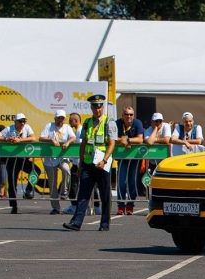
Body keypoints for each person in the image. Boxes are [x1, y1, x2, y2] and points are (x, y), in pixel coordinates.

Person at [63, 95, 117, 232]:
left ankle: (104, 224)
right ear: (91, 108)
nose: (97, 109)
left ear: (102, 107)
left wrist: (104, 160)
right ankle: (76, 222)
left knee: (105, 195)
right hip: (88, 163)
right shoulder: (87, 123)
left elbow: (112, 143)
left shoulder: (109, 122)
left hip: (102, 163)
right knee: (83, 194)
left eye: (100, 106)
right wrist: (80, 163)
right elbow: (83, 144)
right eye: (95, 106)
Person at [0, 113, 39, 214]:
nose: (22, 123)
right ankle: (13, 205)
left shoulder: (27, 127)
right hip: (12, 159)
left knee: (36, 170)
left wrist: (20, 140)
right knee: (12, 182)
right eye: (20, 121)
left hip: (23, 159)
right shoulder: (9, 129)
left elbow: (33, 138)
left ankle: (28, 190)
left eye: (24, 121)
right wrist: (7, 139)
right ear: (15, 122)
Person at [39, 110, 76, 215]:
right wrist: (50, 140)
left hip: (62, 157)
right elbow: (41, 137)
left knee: (66, 170)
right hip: (50, 159)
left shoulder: (67, 127)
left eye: (63, 118)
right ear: (55, 118)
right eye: (59, 118)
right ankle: (56, 208)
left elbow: (73, 137)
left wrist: (68, 142)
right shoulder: (49, 126)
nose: (61, 120)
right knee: (53, 184)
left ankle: (64, 192)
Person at [115, 106, 145, 215]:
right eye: (126, 114)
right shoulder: (117, 123)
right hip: (122, 158)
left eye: (131, 114)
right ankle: (121, 205)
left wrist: (128, 140)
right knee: (121, 181)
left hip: (134, 158)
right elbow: (111, 138)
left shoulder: (137, 123)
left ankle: (130, 205)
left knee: (132, 182)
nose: (129, 116)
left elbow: (140, 139)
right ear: (122, 115)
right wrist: (121, 140)